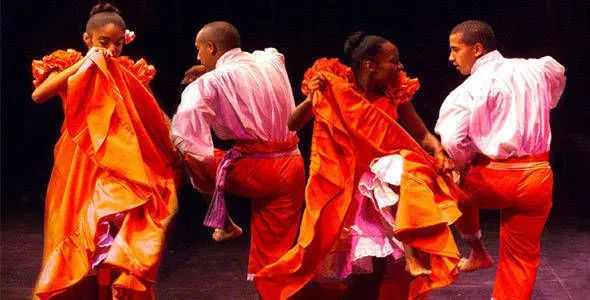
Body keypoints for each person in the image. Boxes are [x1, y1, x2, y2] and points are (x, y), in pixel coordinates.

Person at [255, 31, 462, 300]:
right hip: (341, 183)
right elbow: (293, 124)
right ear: (369, 65)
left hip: (378, 189)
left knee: (376, 262)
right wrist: (311, 97)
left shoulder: (394, 90)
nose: (399, 67)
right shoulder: (333, 83)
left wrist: (438, 150)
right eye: (393, 60)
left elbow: (422, 135)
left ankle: (410, 254)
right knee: (344, 266)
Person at [30, 3, 178, 299]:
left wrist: (172, 139)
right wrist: (85, 62)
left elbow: (150, 111)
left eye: (118, 43)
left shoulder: (127, 69)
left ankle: (114, 292)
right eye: (104, 42)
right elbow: (39, 95)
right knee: (83, 228)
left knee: (115, 226)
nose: (111, 49)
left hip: (120, 160)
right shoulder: (71, 62)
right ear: (88, 40)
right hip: (80, 159)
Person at [435, 20, 566, 299]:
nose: (451, 57)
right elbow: (557, 73)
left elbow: (450, 141)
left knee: (441, 177)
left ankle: (476, 250)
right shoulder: (535, 68)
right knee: (521, 258)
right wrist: (545, 102)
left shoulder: (468, 90)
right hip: (538, 176)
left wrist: (464, 161)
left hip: (496, 180)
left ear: (477, 49)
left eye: (455, 49)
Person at [171, 21, 305, 281]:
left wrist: (204, 83)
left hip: (258, 168)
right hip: (293, 165)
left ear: (210, 47)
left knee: (190, 154)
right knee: (274, 260)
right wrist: (212, 69)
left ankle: (223, 222)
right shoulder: (271, 61)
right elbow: (267, 56)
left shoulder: (209, 82)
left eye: (199, 50)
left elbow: (186, 135)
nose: (198, 57)